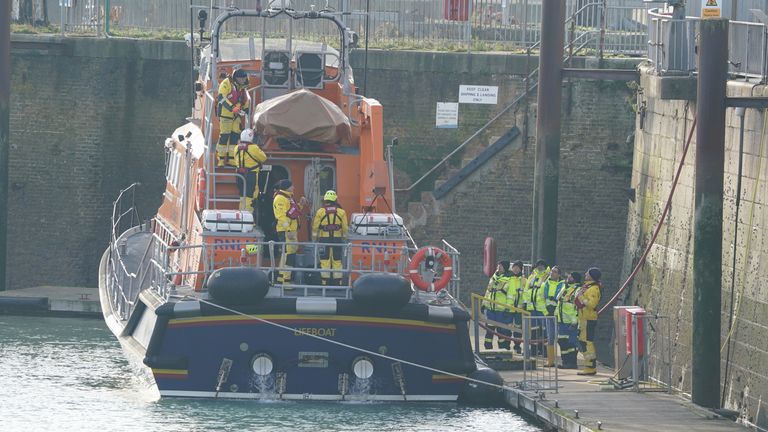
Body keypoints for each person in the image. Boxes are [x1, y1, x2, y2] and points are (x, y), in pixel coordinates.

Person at [312, 190, 348, 286]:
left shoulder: (320, 211)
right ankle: (338, 283)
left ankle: (325, 282)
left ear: (325, 200)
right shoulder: (341, 212)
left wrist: (315, 238)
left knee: (325, 261)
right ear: (335, 199)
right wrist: (344, 238)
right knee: (337, 261)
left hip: (324, 240)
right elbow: (345, 228)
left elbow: (315, 227)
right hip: (337, 240)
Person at [217, 68, 250, 167]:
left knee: (235, 137)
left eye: (244, 78)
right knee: (224, 136)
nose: (243, 80)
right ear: (236, 78)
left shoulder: (242, 86)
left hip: (236, 116)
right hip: (226, 114)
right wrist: (232, 108)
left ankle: (231, 159)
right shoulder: (226, 83)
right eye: (241, 78)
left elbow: (244, 98)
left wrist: (246, 108)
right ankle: (221, 159)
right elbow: (221, 98)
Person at [273, 179, 301, 284]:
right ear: (286, 187)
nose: (293, 187)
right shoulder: (280, 198)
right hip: (286, 231)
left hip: (291, 230)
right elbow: (281, 216)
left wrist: (301, 204)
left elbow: (293, 212)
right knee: (288, 255)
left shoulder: (288, 197)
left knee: (287, 254)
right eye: (291, 186)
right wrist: (288, 229)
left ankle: (281, 277)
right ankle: (286, 280)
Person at [481, 261, 514, 350]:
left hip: (501, 310)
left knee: (501, 331)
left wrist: (508, 308)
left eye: (501, 266)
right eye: (498, 265)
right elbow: (488, 291)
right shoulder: (493, 277)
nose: (499, 267)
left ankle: (502, 349)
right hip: (490, 309)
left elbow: (511, 296)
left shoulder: (510, 280)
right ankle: (488, 348)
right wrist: (483, 304)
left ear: (505, 268)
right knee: (489, 330)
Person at [575, 267, 602, 375]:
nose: (585, 274)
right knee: (583, 342)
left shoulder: (594, 289)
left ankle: (590, 366)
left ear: (592, 276)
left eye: (588, 273)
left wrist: (581, 297)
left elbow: (591, 304)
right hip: (583, 318)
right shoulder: (587, 287)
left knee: (587, 342)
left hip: (588, 318)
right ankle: (589, 365)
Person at [235, 128, 267, 212]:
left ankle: (241, 215)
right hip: (251, 175)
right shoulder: (254, 148)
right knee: (251, 197)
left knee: (242, 196)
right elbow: (263, 158)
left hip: (239, 175)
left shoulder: (236, 148)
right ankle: (247, 218)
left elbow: (236, 160)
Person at [555, 271, 581, 369]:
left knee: (571, 343)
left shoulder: (578, 290)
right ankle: (565, 362)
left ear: (574, 278)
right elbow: (558, 298)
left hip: (571, 322)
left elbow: (577, 308)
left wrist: (575, 322)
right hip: (562, 320)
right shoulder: (566, 288)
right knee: (562, 341)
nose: (568, 278)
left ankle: (572, 362)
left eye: (570, 277)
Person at [539, 265, 564, 367]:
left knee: (561, 338)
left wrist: (556, 312)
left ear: (559, 274)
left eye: (554, 272)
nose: (552, 273)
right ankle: (550, 361)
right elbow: (541, 299)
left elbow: (562, 301)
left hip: (559, 316)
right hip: (549, 315)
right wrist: (546, 312)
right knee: (550, 338)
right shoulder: (545, 284)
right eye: (552, 271)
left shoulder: (563, 285)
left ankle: (562, 360)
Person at [506, 260, 527, 354]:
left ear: (521, 269)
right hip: (508, 307)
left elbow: (525, 293)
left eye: (517, 267)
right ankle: (506, 345)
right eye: (514, 267)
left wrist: (525, 305)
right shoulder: (508, 278)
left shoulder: (524, 280)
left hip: (519, 308)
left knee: (518, 328)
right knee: (507, 327)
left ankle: (517, 346)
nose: (515, 269)